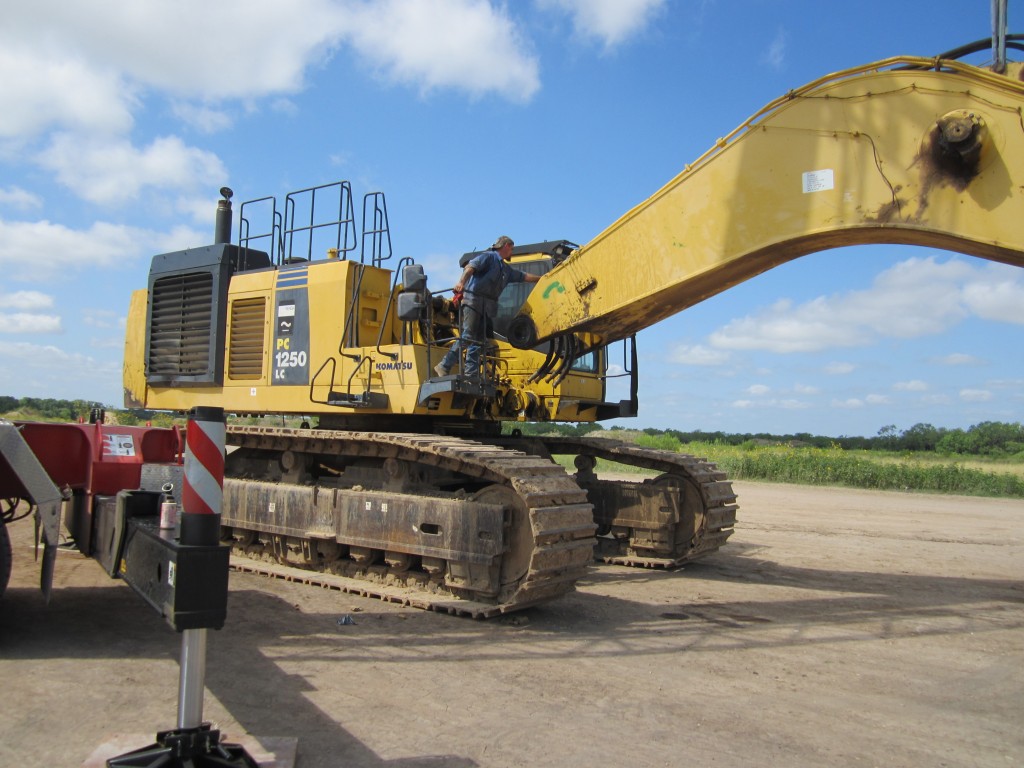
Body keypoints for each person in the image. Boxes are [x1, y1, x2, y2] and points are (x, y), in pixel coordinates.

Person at [435, 235, 540, 377]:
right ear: (506, 246)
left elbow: (524, 276)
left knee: (478, 340)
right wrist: (461, 283)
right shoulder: (488, 257)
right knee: (468, 335)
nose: (512, 252)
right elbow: (470, 267)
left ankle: (471, 373)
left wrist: (542, 279)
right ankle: (444, 365)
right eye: (512, 249)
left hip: (486, 308)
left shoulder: (506, 270)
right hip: (473, 301)